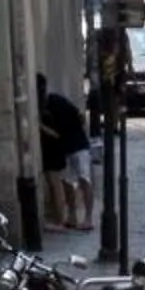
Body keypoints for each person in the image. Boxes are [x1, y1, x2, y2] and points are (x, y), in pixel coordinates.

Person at [42, 77, 93, 230]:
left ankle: (87, 218)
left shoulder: (55, 103)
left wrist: (40, 126)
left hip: (77, 146)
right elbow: (80, 116)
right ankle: (73, 217)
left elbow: (58, 134)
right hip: (69, 147)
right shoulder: (56, 101)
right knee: (69, 182)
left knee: (83, 180)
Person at [34, 74, 69, 228]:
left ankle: (60, 219)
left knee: (56, 184)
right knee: (54, 184)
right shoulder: (43, 105)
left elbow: (57, 133)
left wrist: (41, 127)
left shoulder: (49, 106)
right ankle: (58, 217)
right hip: (50, 151)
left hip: (53, 151)